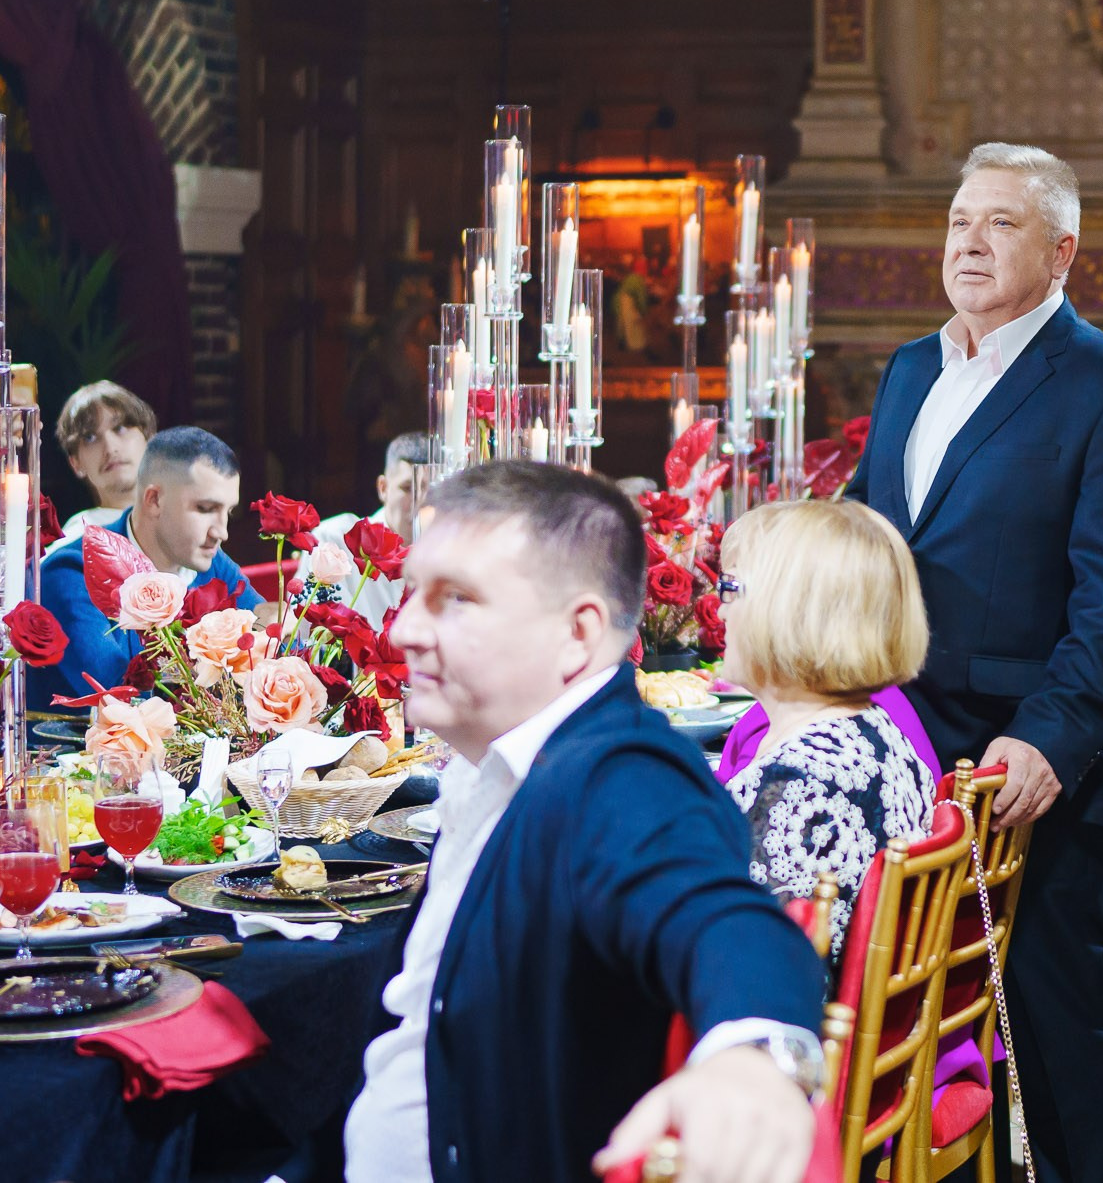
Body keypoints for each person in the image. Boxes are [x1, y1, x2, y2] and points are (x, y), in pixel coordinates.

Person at [841, 141, 1103, 1183]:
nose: (970, 243)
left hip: (1019, 768)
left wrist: (1049, 738)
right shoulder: (911, 368)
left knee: (1051, 1026)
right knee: (917, 1029)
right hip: (899, 752)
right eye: (959, 221)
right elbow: (871, 539)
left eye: (1001, 223)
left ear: (1062, 249)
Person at [345, 461, 827, 1183]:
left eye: (456, 598)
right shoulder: (500, 762)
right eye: (413, 591)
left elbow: (722, 918)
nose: (405, 628)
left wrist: (753, 1058)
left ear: (577, 633)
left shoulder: (619, 770)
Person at [713, 500, 937, 963]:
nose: (719, 612)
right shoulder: (875, 732)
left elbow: (751, 972)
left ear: (790, 609)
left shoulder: (793, 787)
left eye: (731, 588)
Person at [32, 427, 262, 706]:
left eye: (228, 511)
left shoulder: (209, 560)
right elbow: (122, 697)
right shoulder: (71, 574)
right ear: (154, 500)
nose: (222, 532)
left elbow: (274, 646)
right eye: (204, 509)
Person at [300, 431, 430, 618]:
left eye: (430, 489)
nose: (421, 500)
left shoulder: (448, 552)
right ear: (383, 488)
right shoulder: (335, 541)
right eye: (408, 488)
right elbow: (307, 625)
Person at [50, 380, 156, 552]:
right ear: (75, 463)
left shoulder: (187, 528)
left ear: (149, 439)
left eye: (120, 428)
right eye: (90, 437)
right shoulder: (72, 550)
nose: (110, 448)